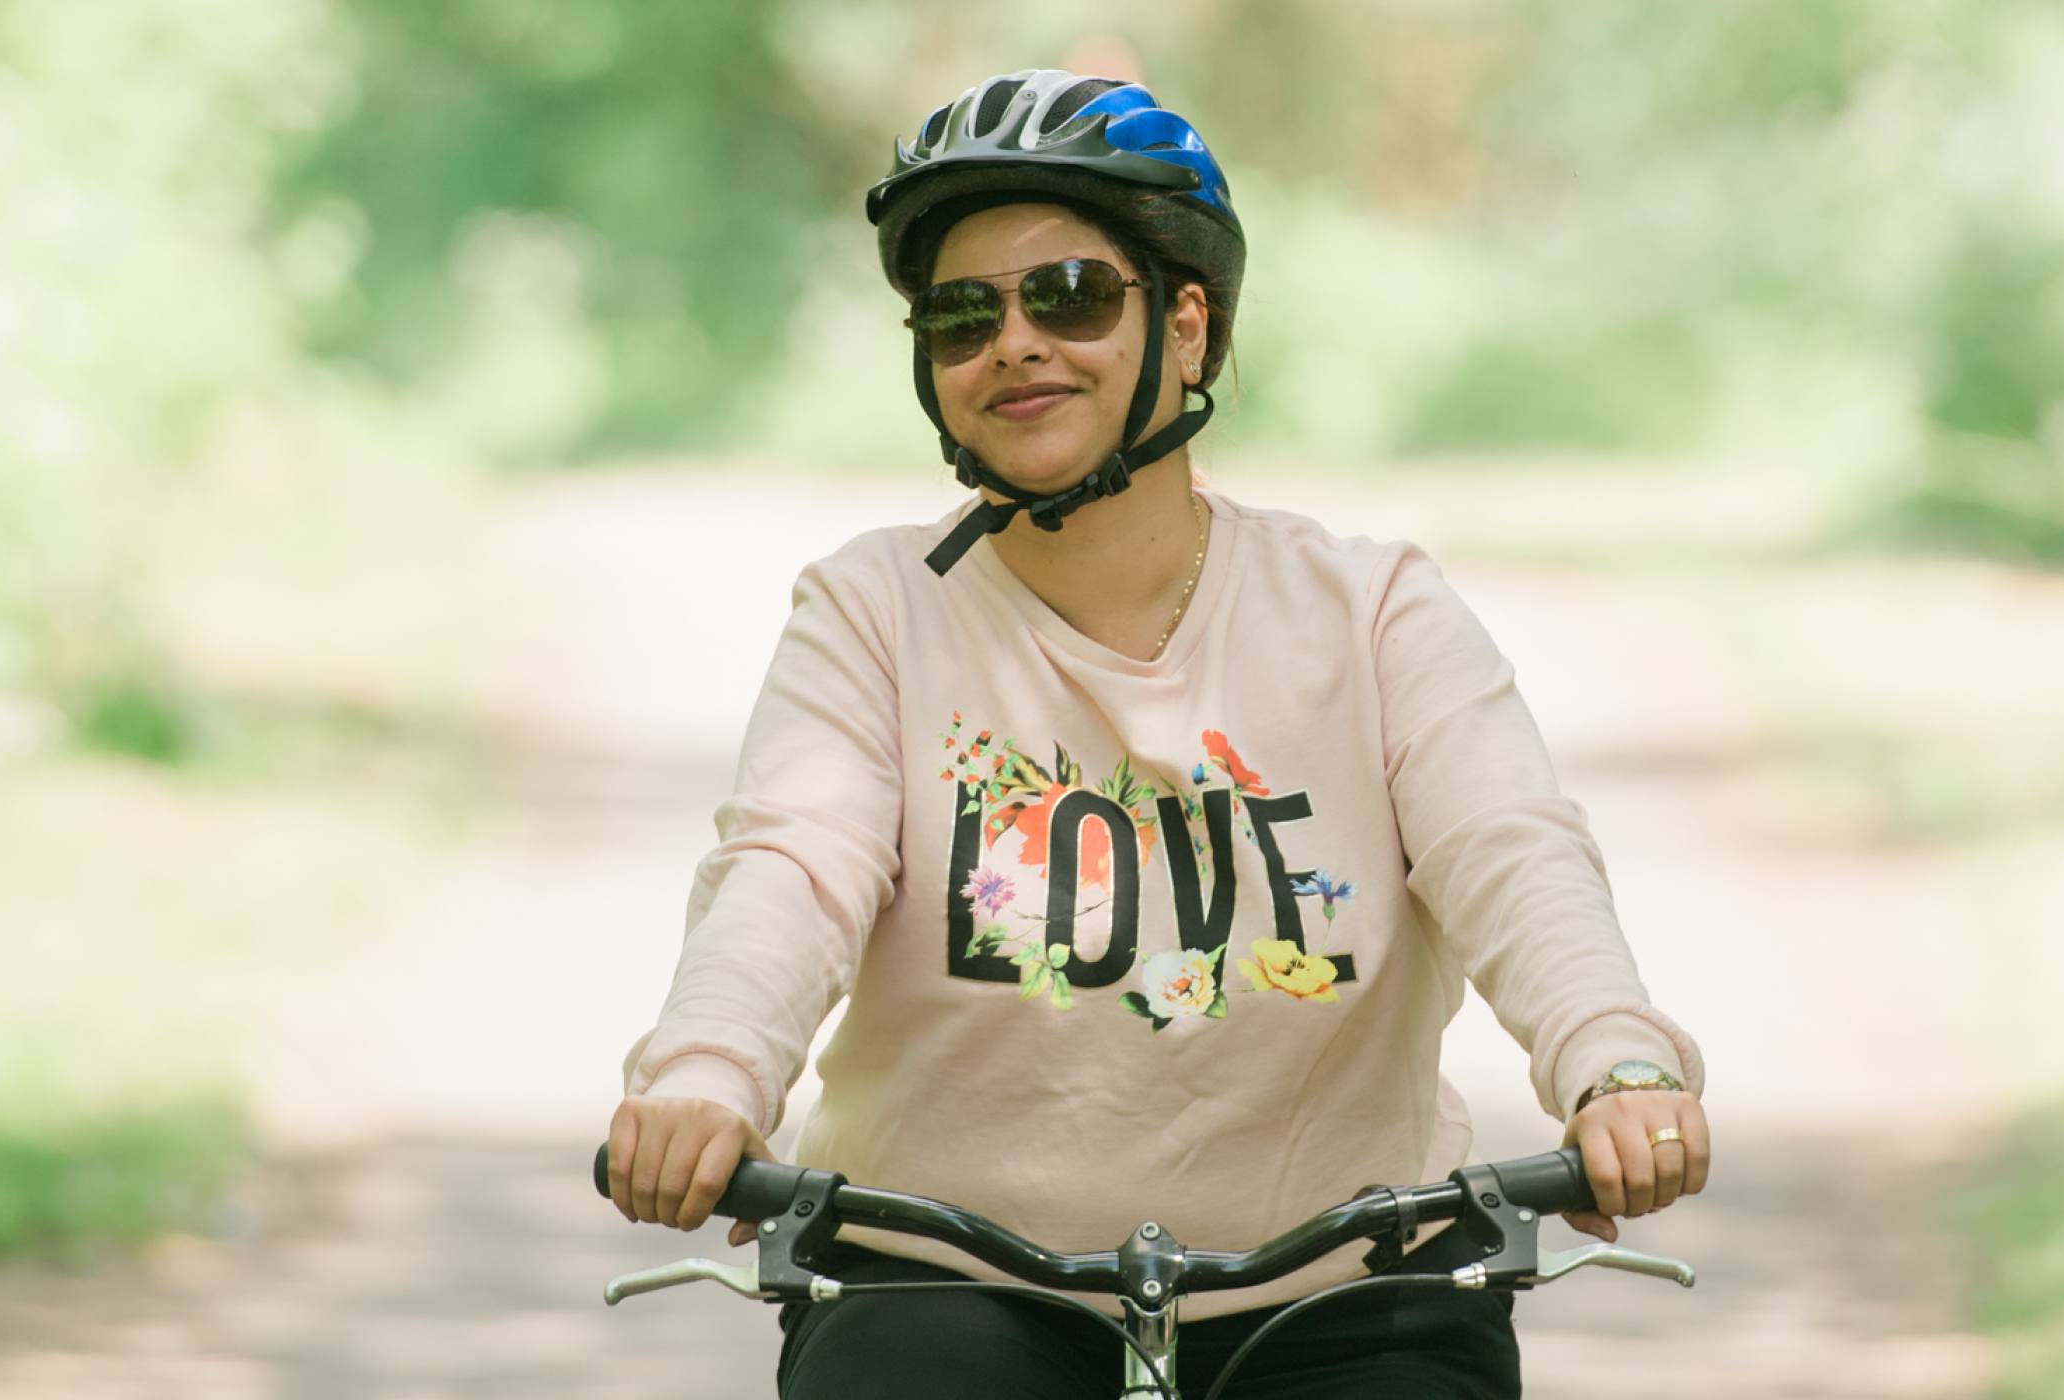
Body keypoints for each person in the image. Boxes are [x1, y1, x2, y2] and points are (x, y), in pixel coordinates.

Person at [604, 68, 1711, 1399]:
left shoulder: (1369, 610)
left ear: (1187, 327)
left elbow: (1512, 850)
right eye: (962, 315)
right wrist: (711, 1075)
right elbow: (791, 867)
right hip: (947, 1283)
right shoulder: (876, 610)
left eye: (1068, 295)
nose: (1013, 342)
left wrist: (1614, 1060)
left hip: (1353, 1287)